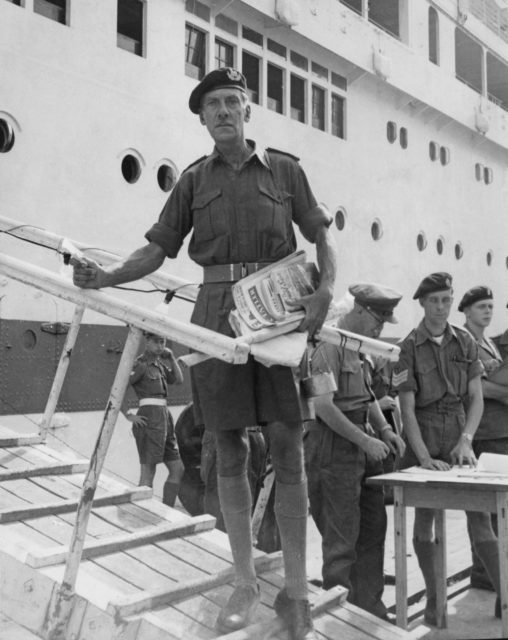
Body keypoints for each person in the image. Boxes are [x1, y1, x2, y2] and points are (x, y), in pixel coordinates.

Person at [73, 67, 337, 640]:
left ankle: (296, 591)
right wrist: (109, 276)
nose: (222, 111)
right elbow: (157, 249)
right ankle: (243, 581)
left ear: (248, 111)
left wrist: (326, 289)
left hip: (278, 311)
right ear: (202, 117)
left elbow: (320, 235)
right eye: (212, 104)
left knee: (289, 446)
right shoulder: (193, 181)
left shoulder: (286, 169)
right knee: (229, 446)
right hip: (215, 312)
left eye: (231, 102)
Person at [392, 273, 502, 624]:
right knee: (424, 522)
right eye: (433, 300)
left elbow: (476, 398)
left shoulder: (465, 342)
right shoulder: (407, 347)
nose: (441, 307)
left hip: (457, 433)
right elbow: (406, 408)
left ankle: (505, 595)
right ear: (422, 303)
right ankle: (434, 601)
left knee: (481, 520)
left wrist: (466, 440)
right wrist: (423, 458)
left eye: (445, 300)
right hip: (423, 433)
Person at [304, 283, 405, 620]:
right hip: (332, 447)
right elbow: (322, 406)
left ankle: (370, 609)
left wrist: (385, 429)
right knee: (341, 540)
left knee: (374, 532)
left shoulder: (357, 348)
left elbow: (367, 396)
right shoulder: (325, 347)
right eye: (378, 320)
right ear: (359, 311)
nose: (380, 329)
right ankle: (339, 617)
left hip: (362, 446)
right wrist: (365, 440)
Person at [459, 286, 508, 591]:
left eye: (491, 306)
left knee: (497, 510)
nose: (488, 312)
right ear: (466, 310)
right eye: (481, 307)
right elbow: (474, 388)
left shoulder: (490, 342)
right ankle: (485, 574)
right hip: (483, 433)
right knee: (485, 510)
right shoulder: (464, 341)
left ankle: (492, 573)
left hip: (497, 430)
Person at [123, 332, 184, 507]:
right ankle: (142, 510)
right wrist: (129, 415)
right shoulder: (141, 365)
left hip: (165, 419)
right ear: (147, 341)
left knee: (177, 469)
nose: (160, 346)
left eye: (162, 342)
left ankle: (167, 510)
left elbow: (178, 380)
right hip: (149, 420)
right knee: (149, 470)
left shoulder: (160, 366)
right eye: (156, 342)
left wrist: (172, 357)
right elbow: (118, 388)